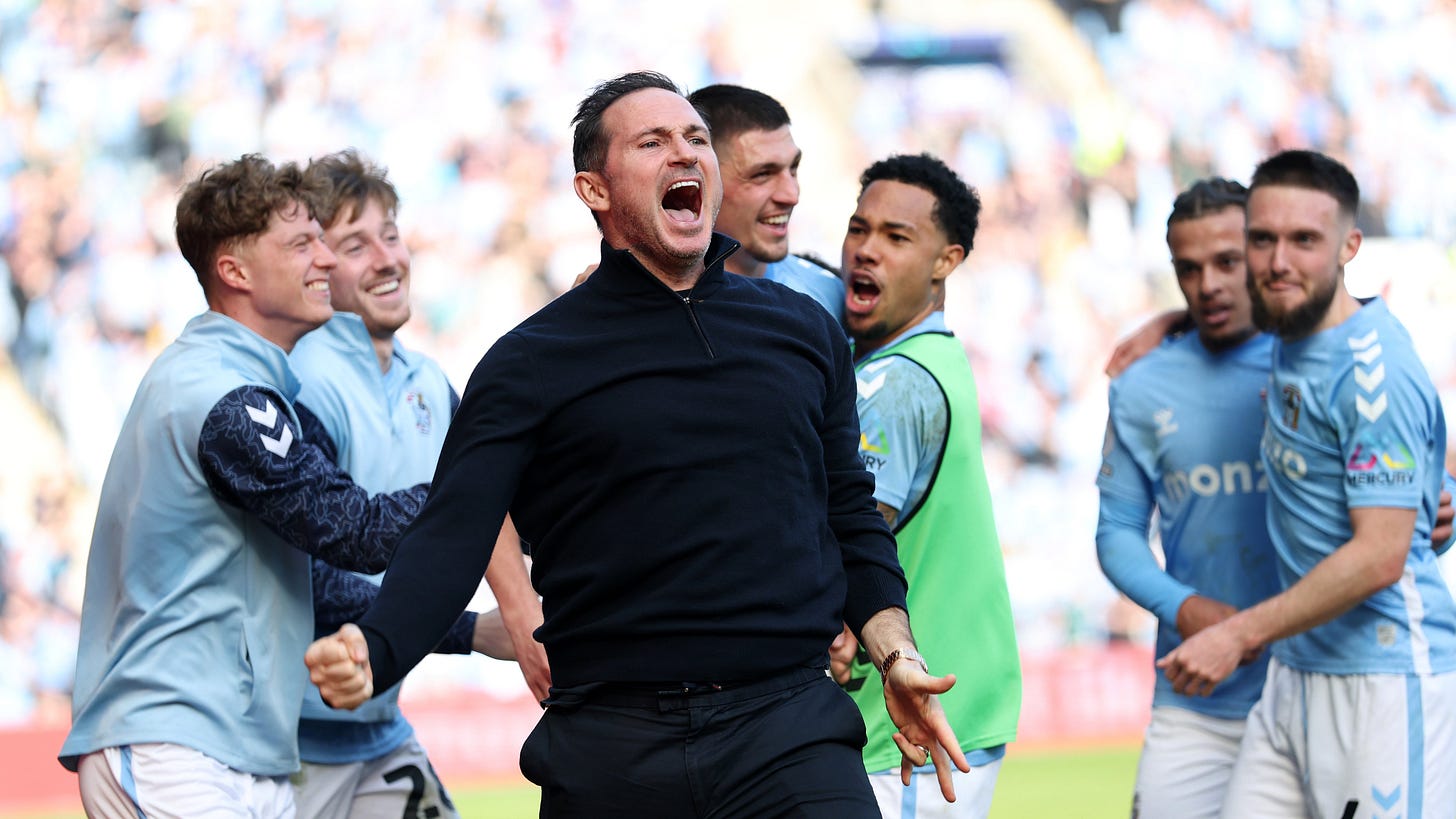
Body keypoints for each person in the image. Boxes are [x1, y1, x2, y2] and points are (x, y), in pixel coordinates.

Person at [305, 70, 970, 818]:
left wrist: (897, 655)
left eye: (695, 139)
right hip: (610, 751)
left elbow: (850, 520)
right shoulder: (528, 362)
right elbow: (453, 534)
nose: (684, 154)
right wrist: (379, 645)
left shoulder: (805, 333)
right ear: (594, 190)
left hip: (790, 733)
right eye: (653, 142)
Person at [58, 154, 431, 818]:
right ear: (234, 271)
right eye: (301, 243)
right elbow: (356, 530)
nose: (325, 259)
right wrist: (497, 478)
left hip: (234, 745)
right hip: (172, 741)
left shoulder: (231, 379)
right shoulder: (224, 395)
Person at [1157, 149, 1456, 818]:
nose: (1278, 261)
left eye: (1304, 240)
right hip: (1295, 678)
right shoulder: (1291, 325)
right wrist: (1165, 325)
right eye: (1262, 240)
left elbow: (1380, 555)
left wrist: (1239, 633)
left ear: (1350, 245)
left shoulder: (1371, 370)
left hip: (1380, 679)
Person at [288, 149, 551, 819]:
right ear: (316, 262)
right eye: (354, 244)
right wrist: (470, 630)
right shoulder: (301, 381)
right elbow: (304, 580)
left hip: (375, 732)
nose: (386, 258)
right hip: (282, 743)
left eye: (392, 234)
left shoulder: (430, 381)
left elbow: (482, 503)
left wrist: (522, 614)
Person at [828, 153, 1020, 818]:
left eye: (896, 237)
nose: (865, 251)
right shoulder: (935, 356)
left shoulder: (892, 383)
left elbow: (853, 540)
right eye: (859, 229)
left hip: (907, 735)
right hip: (951, 711)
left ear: (947, 260)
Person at [1096, 178, 1279, 818]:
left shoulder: (1318, 358)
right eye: (1188, 269)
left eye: (1227, 262)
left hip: (1315, 683)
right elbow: (1117, 530)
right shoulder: (1141, 385)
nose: (1207, 286)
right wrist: (1186, 607)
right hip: (1195, 692)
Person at [686, 83, 846, 319]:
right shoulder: (649, 306)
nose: (791, 195)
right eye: (762, 175)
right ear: (699, 181)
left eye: (793, 168)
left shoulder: (826, 295)